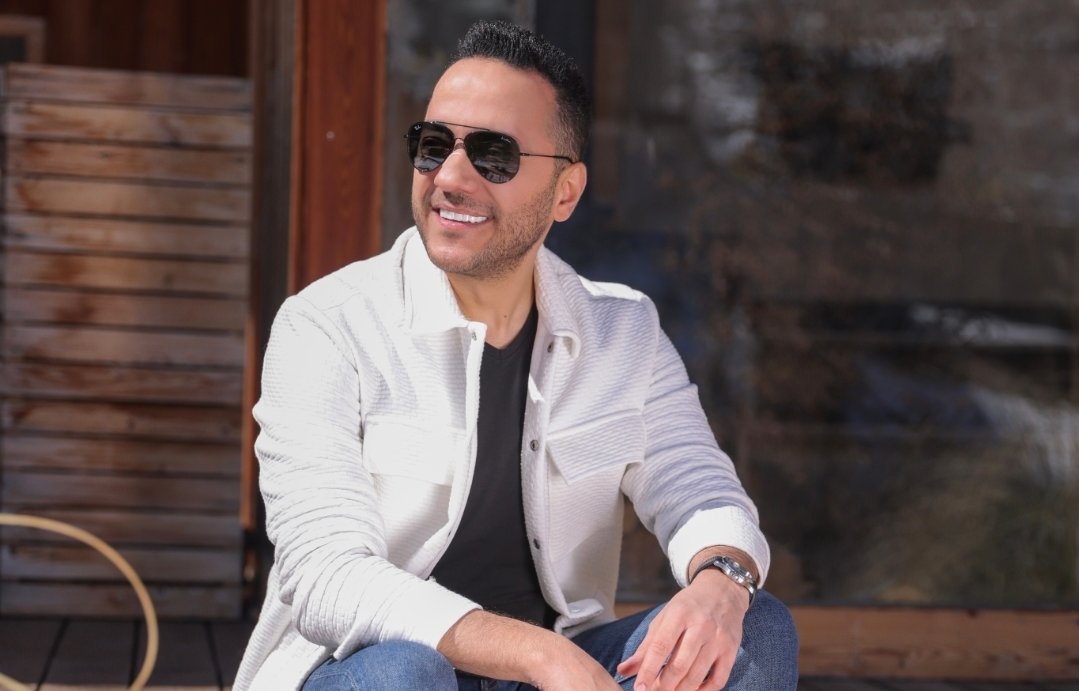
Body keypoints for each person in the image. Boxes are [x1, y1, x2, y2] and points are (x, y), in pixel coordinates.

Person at [235, 19, 798, 691]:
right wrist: (539, 655)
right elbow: (325, 573)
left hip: (558, 668)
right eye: (433, 146)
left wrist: (721, 583)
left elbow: (698, 488)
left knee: (756, 630)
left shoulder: (624, 331)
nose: (450, 176)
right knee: (405, 673)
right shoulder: (325, 326)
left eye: (493, 155)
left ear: (565, 192)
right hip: (370, 671)